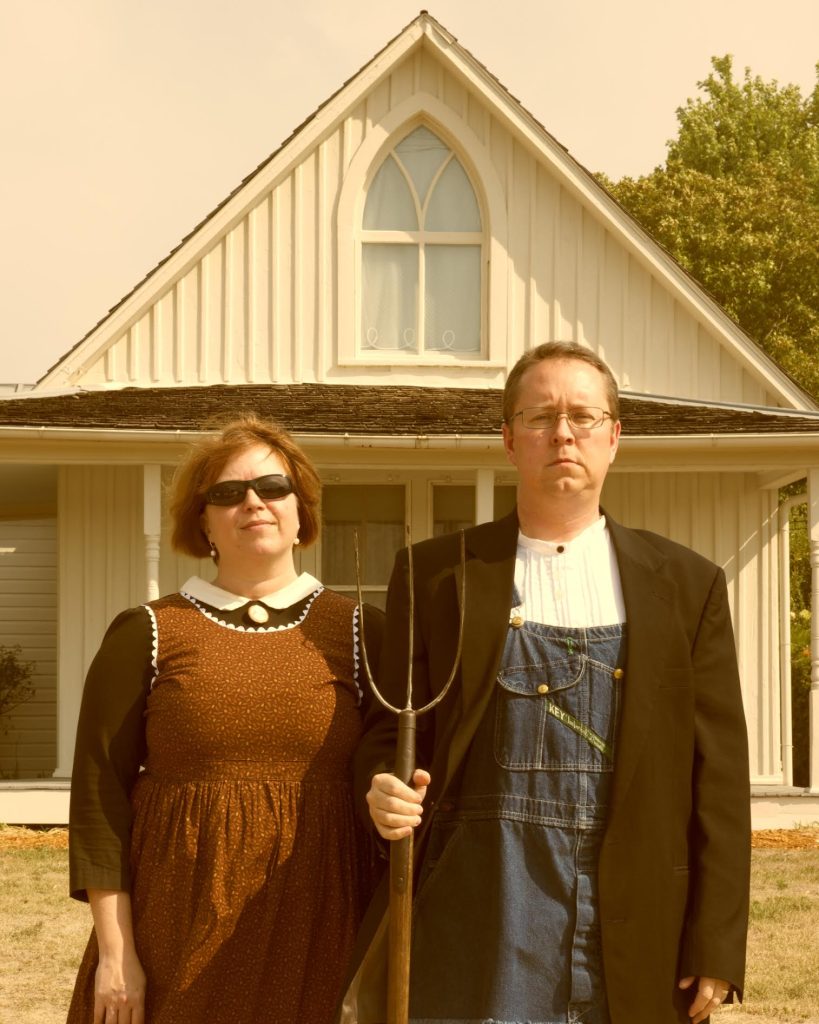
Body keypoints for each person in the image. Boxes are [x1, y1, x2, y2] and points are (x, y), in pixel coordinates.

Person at [342, 342, 750, 1024]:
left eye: (582, 416)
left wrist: (715, 941)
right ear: (508, 439)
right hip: (481, 910)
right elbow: (389, 736)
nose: (562, 433)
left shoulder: (686, 586)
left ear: (613, 437)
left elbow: (717, 783)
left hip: (636, 918)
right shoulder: (436, 575)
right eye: (539, 417)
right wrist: (382, 786)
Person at [67, 414, 383, 1024]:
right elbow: (99, 796)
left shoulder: (364, 632)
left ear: (301, 512)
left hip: (320, 929)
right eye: (226, 493)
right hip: (173, 932)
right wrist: (115, 952)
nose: (253, 503)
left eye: (273, 487)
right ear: (202, 520)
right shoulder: (149, 631)